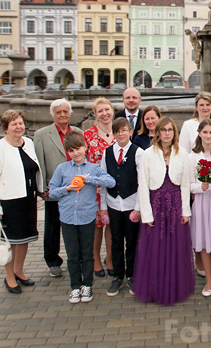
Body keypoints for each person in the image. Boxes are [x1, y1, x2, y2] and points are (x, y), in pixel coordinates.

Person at [132, 117, 195, 305]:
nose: (167, 133)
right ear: (157, 132)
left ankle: (175, 287)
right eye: (163, 130)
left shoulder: (182, 153)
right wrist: (147, 213)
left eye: (170, 130)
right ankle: (154, 288)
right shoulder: (148, 154)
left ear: (174, 132)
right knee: (155, 248)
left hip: (176, 205)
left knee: (175, 248)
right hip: (156, 204)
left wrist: (185, 211)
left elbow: (185, 184)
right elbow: (142, 185)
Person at [49, 131, 116, 303]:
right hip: (68, 217)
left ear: (85, 147)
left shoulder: (93, 168)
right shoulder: (62, 169)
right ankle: (75, 286)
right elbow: (52, 191)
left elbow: (110, 182)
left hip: (87, 217)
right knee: (72, 254)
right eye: (72, 150)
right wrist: (68, 188)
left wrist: (88, 179)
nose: (76, 153)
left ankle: (87, 285)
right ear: (67, 152)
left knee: (87, 253)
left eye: (78, 148)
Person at [0, 110, 44, 294]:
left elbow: (34, 169)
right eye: (14, 124)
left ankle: (19, 270)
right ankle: (9, 276)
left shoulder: (28, 142)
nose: (19, 127)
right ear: (5, 128)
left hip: (28, 197)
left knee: (25, 238)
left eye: (20, 123)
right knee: (11, 241)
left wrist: (41, 190)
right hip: (10, 200)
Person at [33, 99, 83, 277]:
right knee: (53, 227)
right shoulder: (41, 135)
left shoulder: (78, 132)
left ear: (70, 113)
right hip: (53, 188)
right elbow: (40, 162)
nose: (62, 115)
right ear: (52, 114)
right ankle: (52, 260)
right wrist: (42, 187)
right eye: (58, 112)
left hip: (76, 188)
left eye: (65, 111)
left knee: (76, 225)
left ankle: (76, 258)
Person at [100, 117, 144, 297]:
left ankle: (132, 275)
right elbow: (103, 180)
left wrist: (138, 207)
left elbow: (142, 182)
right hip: (113, 204)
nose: (121, 134)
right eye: (117, 131)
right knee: (116, 242)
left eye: (124, 130)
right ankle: (117, 276)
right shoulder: (107, 152)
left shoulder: (138, 152)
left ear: (130, 132)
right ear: (114, 133)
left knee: (132, 243)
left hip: (131, 204)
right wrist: (103, 207)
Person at [188, 119, 211, 298]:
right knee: (203, 241)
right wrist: (198, 188)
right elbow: (187, 184)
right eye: (205, 132)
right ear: (199, 133)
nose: (209, 136)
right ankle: (208, 281)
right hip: (201, 202)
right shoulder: (192, 156)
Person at [83, 97, 116, 278]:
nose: (104, 114)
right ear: (95, 115)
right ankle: (95, 258)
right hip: (94, 187)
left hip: (114, 186)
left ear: (112, 110)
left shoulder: (120, 132)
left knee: (111, 224)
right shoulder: (88, 135)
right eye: (100, 111)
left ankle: (110, 258)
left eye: (107, 110)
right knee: (97, 226)